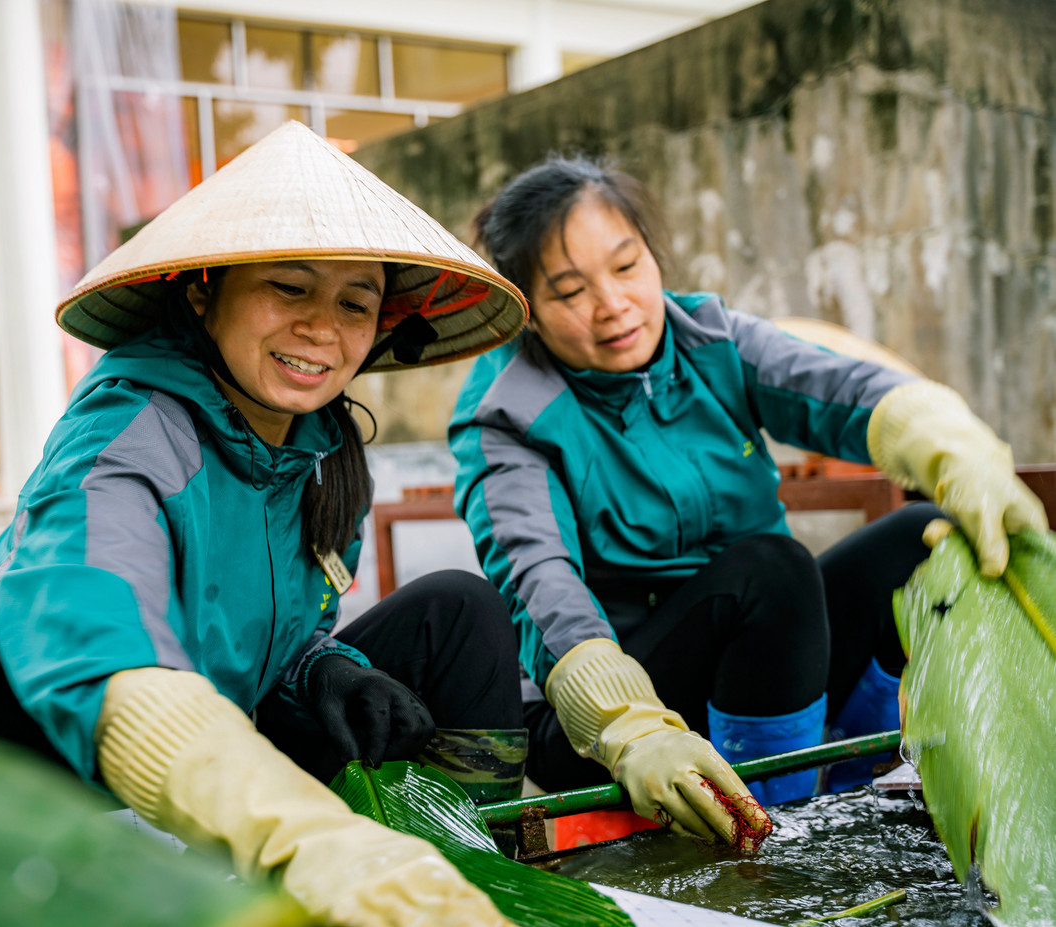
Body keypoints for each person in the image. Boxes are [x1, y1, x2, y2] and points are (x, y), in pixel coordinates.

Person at [0, 122, 535, 927]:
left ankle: (467, 885)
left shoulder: (323, 455)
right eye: (290, 287)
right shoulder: (129, 426)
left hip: (222, 747)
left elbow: (268, 639)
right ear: (205, 290)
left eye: (356, 302)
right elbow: (96, 633)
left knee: (461, 610)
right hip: (65, 760)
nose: (323, 327)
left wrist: (326, 668)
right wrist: (307, 837)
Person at [449, 155, 1048, 840]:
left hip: (759, 662)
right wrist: (627, 724)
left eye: (626, 266)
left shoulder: (712, 338)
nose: (612, 304)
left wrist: (959, 450)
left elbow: (847, 392)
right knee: (771, 569)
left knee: (923, 536)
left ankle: (855, 792)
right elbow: (538, 585)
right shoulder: (504, 413)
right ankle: (773, 835)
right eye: (568, 290)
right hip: (603, 720)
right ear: (526, 310)